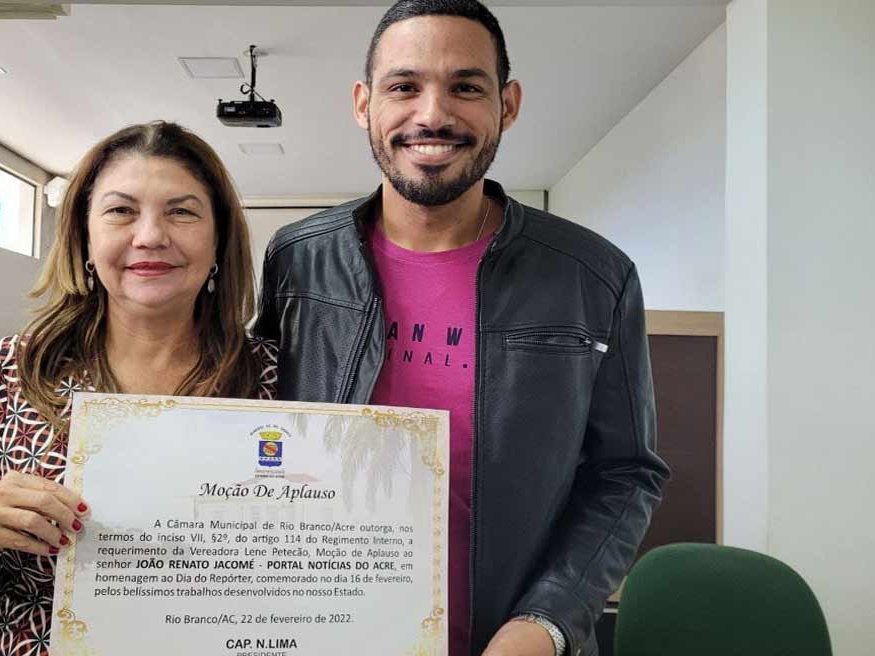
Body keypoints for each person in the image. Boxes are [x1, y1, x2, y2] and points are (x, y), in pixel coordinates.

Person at [253, 2, 669, 655]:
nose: (432, 114)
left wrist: (549, 621)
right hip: (327, 632)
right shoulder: (298, 259)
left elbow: (626, 471)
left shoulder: (593, 275)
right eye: (404, 86)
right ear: (364, 103)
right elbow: (244, 426)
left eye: (466, 87)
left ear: (508, 104)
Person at [0, 121, 277, 655]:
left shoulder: (278, 381)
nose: (150, 236)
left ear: (219, 240)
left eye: (182, 211)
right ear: (84, 235)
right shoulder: (12, 370)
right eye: (121, 211)